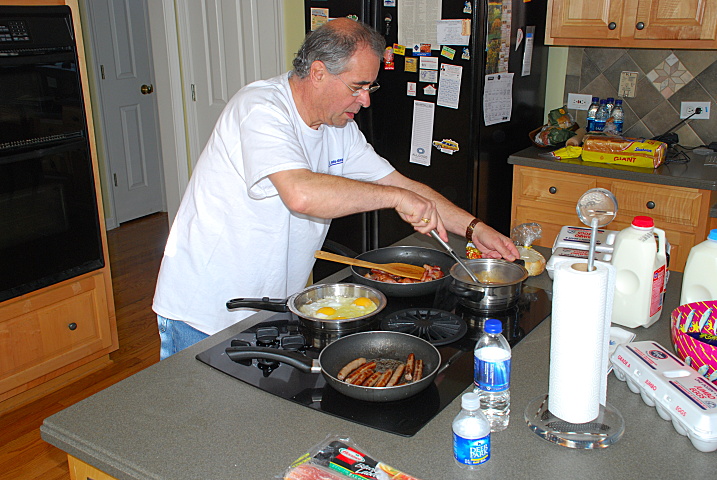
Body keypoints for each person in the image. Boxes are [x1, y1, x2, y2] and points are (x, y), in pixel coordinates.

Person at [152, 18, 518, 359]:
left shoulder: (338, 129)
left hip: (271, 308)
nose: (366, 100)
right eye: (358, 86)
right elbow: (302, 194)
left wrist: (475, 228)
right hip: (205, 311)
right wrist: (397, 199)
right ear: (318, 73)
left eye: (370, 86)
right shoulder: (260, 109)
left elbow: (403, 185)